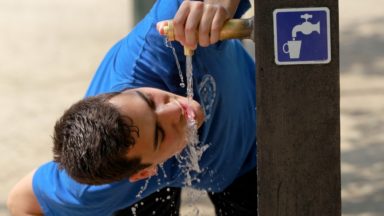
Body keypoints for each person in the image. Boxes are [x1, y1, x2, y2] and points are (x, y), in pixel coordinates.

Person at [7, 0, 256, 215]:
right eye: (159, 132)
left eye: (149, 100)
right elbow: (22, 203)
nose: (174, 109)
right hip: (150, 184)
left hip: (247, 152)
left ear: (120, 92)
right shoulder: (97, 187)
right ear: (144, 172)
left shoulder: (168, 34)